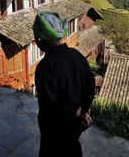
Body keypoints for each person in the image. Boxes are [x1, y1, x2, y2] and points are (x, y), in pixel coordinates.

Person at [33, 12, 95, 157]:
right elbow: (90, 85)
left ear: (41, 41)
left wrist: (74, 111)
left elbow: (50, 107)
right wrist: (84, 110)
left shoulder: (44, 67)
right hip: (75, 125)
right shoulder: (77, 56)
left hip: (55, 132)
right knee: (73, 149)